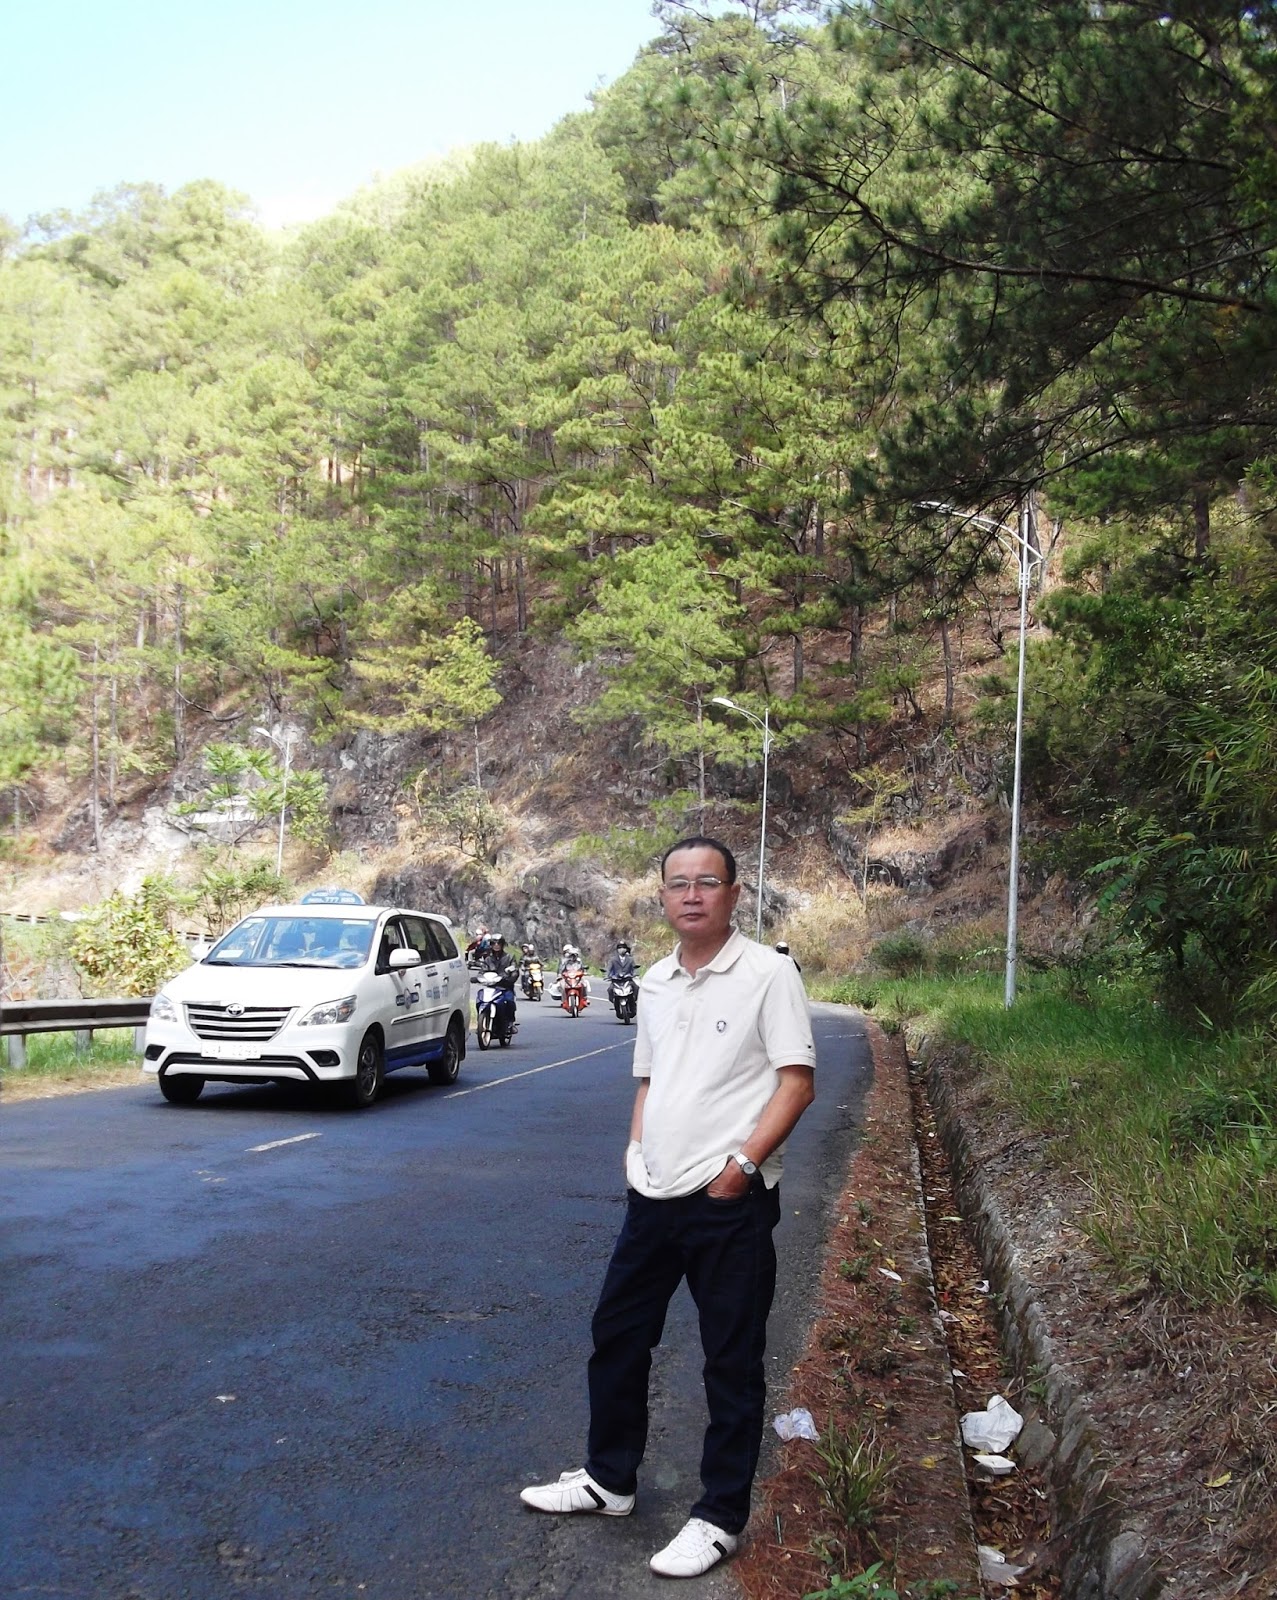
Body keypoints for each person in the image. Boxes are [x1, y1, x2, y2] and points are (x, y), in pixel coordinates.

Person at [520, 836, 816, 1579]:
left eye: (706, 882)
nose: (691, 894)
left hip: (728, 1203)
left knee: (730, 1361)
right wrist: (635, 1154)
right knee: (617, 1336)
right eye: (678, 883)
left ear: (733, 894)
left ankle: (718, 1516)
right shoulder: (653, 980)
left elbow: (796, 1082)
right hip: (652, 1195)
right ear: (661, 897)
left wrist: (741, 1168)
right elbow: (649, 1081)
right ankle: (608, 1479)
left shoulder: (768, 974)